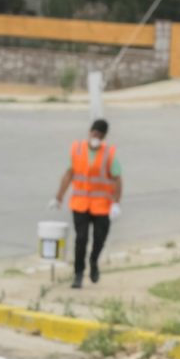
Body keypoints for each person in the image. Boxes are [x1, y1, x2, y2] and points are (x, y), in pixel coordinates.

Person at [53, 117, 121, 288]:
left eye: (100, 135)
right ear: (90, 132)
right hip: (80, 204)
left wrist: (115, 203)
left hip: (101, 205)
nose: (96, 137)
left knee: (99, 238)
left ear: (104, 137)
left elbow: (117, 180)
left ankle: (94, 261)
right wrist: (59, 196)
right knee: (81, 239)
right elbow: (69, 174)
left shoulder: (109, 153)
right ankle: (78, 274)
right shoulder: (77, 149)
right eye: (94, 133)